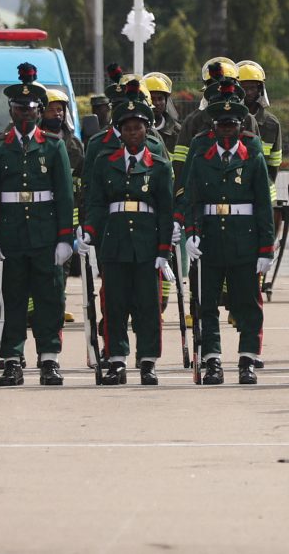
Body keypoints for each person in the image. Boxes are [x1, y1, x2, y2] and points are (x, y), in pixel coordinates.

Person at [0, 62, 78, 387]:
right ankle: (11, 359)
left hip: (45, 235)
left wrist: (65, 238)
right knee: (12, 300)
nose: (25, 113)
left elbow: (65, 195)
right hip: (11, 237)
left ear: (39, 111)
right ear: (11, 110)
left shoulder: (54, 146)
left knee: (49, 299)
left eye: (31, 108)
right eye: (20, 108)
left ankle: (49, 359)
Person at [80, 92, 176, 385]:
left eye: (138, 127)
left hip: (147, 244)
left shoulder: (159, 166)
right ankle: (117, 361)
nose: (133, 132)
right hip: (114, 241)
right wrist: (89, 231)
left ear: (147, 130)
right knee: (114, 305)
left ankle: (148, 361)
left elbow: (165, 211)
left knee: (148, 306)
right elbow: (96, 203)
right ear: (119, 132)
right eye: (128, 128)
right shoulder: (105, 162)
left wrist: (164, 250)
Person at [180, 89, 273, 385]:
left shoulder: (253, 157)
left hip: (244, 239)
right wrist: (191, 233)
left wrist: (266, 249)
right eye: (222, 125)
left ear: (240, 126)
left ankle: (247, 359)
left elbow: (263, 205)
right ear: (214, 127)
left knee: (247, 304)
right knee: (206, 304)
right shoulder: (201, 157)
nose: (227, 130)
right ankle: (212, 360)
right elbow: (192, 199)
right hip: (209, 239)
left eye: (232, 125)